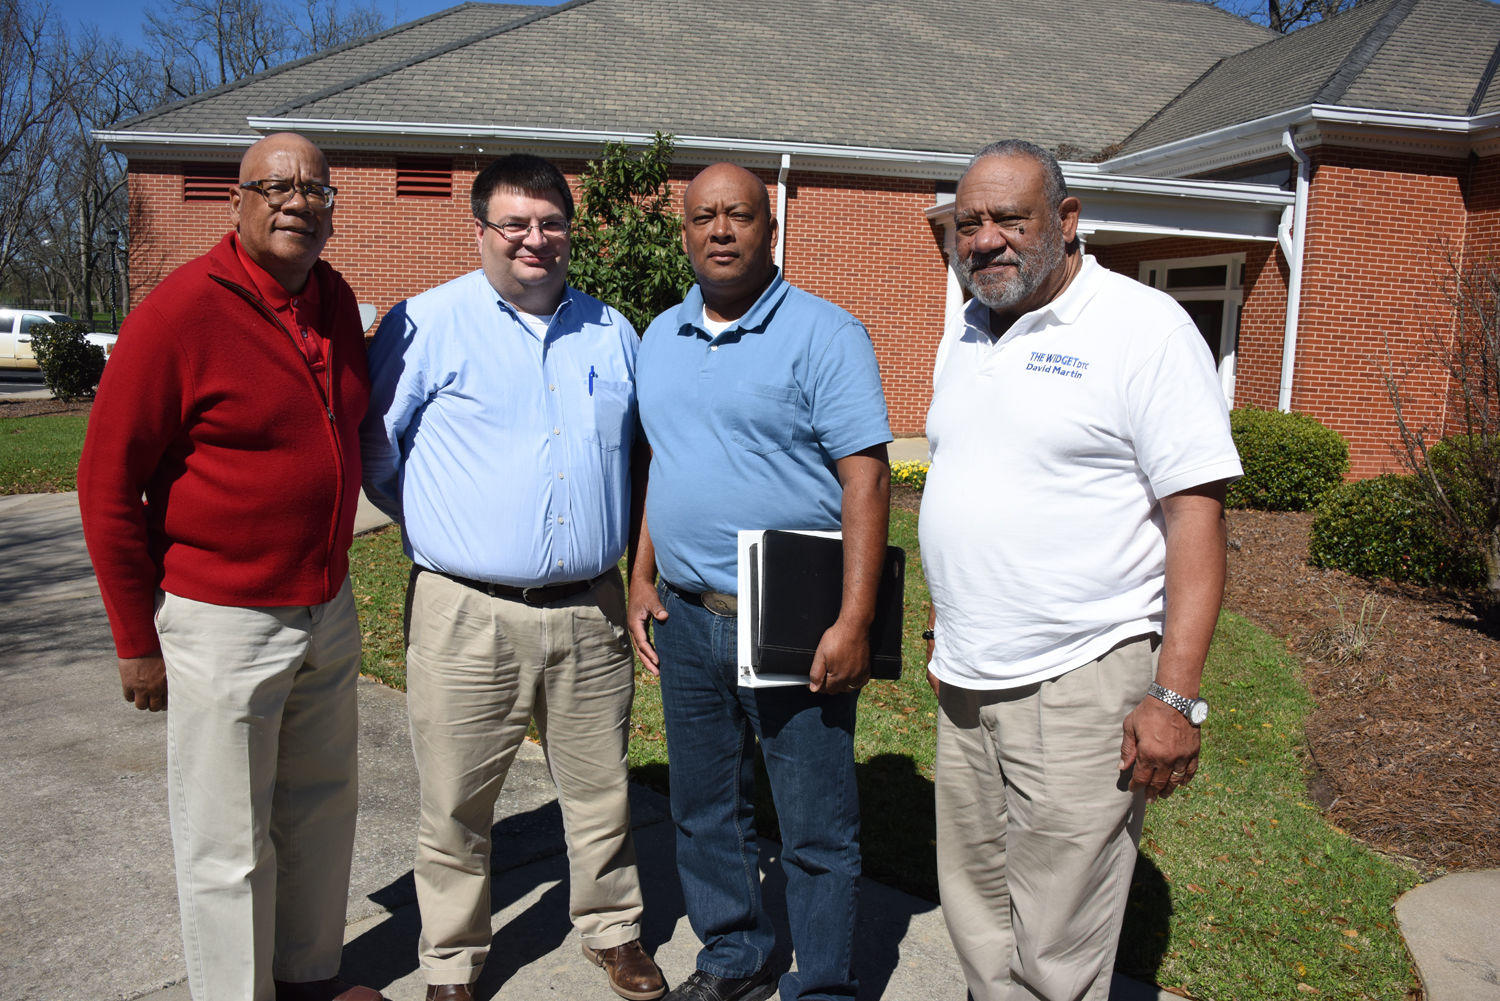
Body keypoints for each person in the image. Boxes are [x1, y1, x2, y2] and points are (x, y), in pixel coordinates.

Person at [920, 139, 1243, 1001]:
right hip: (967, 681)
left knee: (1058, 942)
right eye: (969, 222)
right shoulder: (968, 327)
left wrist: (1173, 696)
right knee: (978, 915)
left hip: (1079, 683)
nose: (984, 239)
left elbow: (1195, 521)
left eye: (1008, 219)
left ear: (1066, 223)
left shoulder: (1142, 328)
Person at [77, 133, 378, 1001]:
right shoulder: (177, 314)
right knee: (226, 840)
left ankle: (310, 974)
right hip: (223, 618)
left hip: (326, 603)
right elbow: (105, 486)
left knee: (321, 809)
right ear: (236, 201)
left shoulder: (332, 296)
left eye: (314, 189)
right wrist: (137, 639)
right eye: (275, 186)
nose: (296, 202)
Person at [360, 153, 665, 1001]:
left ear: (571, 229)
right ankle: (452, 960)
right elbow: (375, 448)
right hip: (467, 611)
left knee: (602, 785)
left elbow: (639, 459)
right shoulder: (426, 323)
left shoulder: (612, 331)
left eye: (551, 222)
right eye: (516, 224)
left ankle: (612, 929)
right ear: (482, 230)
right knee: (457, 800)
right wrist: (438, 522)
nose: (536, 239)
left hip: (590, 608)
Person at [628, 162, 892, 1001]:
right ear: (684, 231)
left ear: (769, 228)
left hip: (789, 614)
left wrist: (854, 620)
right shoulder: (658, 336)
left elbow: (868, 482)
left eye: (738, 215)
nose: (719, 230)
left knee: (814, 827)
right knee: (704, 811)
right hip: (687, 614)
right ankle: (735, 959)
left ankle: (823, 985)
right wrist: (640, 576)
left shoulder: (826, 333)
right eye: (702, 216)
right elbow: (661, 463)